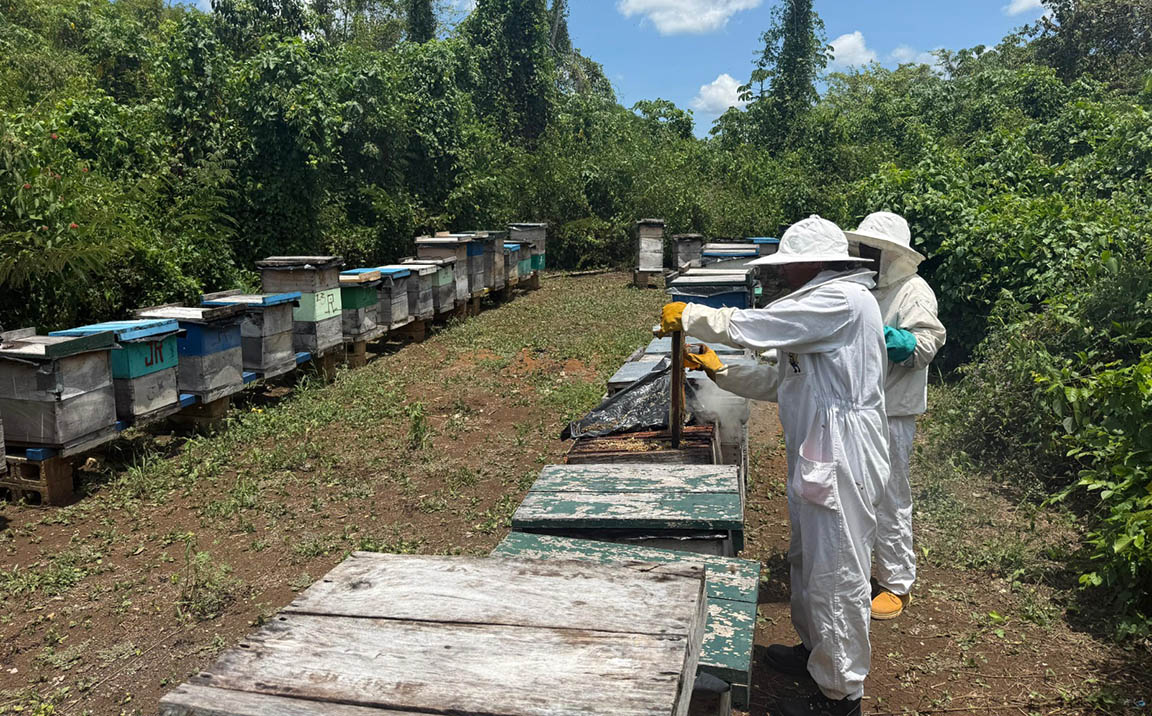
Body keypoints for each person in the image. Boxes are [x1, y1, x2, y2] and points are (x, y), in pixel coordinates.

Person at [660, 215, 889, 716]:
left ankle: (841, 695)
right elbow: (783, 384)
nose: (783, 272)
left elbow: (756, 325)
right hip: (819, 448)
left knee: (837, 571)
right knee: (808, 559)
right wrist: (723, 371)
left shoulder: (842, 301)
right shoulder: (820, 308)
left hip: (843, 452)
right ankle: (816, 652)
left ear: (816, 262)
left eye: (791, 264)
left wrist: (694, 315)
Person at [845, 212, 946, 620]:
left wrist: (883, 336)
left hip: (892, 411)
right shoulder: (863, 287)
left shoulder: (913, 291)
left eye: (874, 250)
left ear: (893, 255)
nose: (866, 255)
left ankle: (897, 583)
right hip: (859, 406)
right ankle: (858, 570)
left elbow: (926, 344)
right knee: (856, 492)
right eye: (863, 248)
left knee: (890, 497)